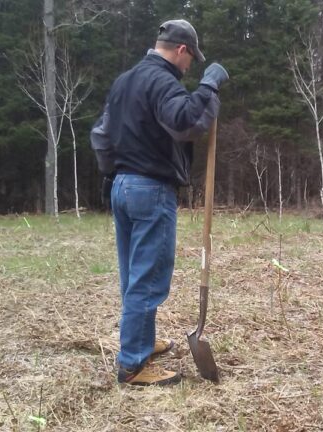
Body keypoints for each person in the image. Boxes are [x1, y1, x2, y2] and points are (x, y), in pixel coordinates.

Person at [90, 19, 228, 386]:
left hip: (122, 187)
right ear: (181, 50)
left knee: (134, 275)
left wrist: (117, 175)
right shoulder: (162, 81)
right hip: (149, 189)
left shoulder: (124, 82)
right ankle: (133, 364)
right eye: (191, 59)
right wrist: (209, 85)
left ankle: (143, 342)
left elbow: (101, 136)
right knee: (148, 279)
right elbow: (187, 122)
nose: (189, 67)